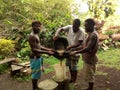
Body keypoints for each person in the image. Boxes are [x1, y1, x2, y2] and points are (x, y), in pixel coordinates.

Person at [53, 19, 85, 84]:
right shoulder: (69, 27)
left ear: (79, 26)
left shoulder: (81, 31)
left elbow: (79, 43)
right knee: (70, 65)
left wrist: (71, 47)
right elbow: (60, 29)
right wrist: (56, 34)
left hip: (76, 50)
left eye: (76, 27)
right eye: (73, 26)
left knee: (74, 66)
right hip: (68, 50)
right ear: (72, 24)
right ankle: (72, 78)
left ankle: (74, 80)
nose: (74, 28)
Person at [70, 18, 99, 90]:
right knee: (89, 75)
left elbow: (87, 48)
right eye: (85, 26)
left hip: (90, 59)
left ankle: (90, 88)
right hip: (88, 59)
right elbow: (84, 46)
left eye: (86, 26)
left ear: (92, 25)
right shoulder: (89, 34)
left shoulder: (93, 35)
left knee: (90, 75)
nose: (85, 28)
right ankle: (89, 87)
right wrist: (75, 48)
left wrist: (75, 52)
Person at [28, 21, 54, 90]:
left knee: (37, 74)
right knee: (35, 75)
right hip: (35, 58)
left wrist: (48, 49)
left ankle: (35, 87)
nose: (38, 28)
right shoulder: (31, 36)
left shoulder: (36, 34)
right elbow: (34, 49)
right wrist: (47, 52)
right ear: (32, 26)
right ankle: (34, 88)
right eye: (37, 26)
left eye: (39, 26)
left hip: (38, 57)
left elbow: (39, 46)